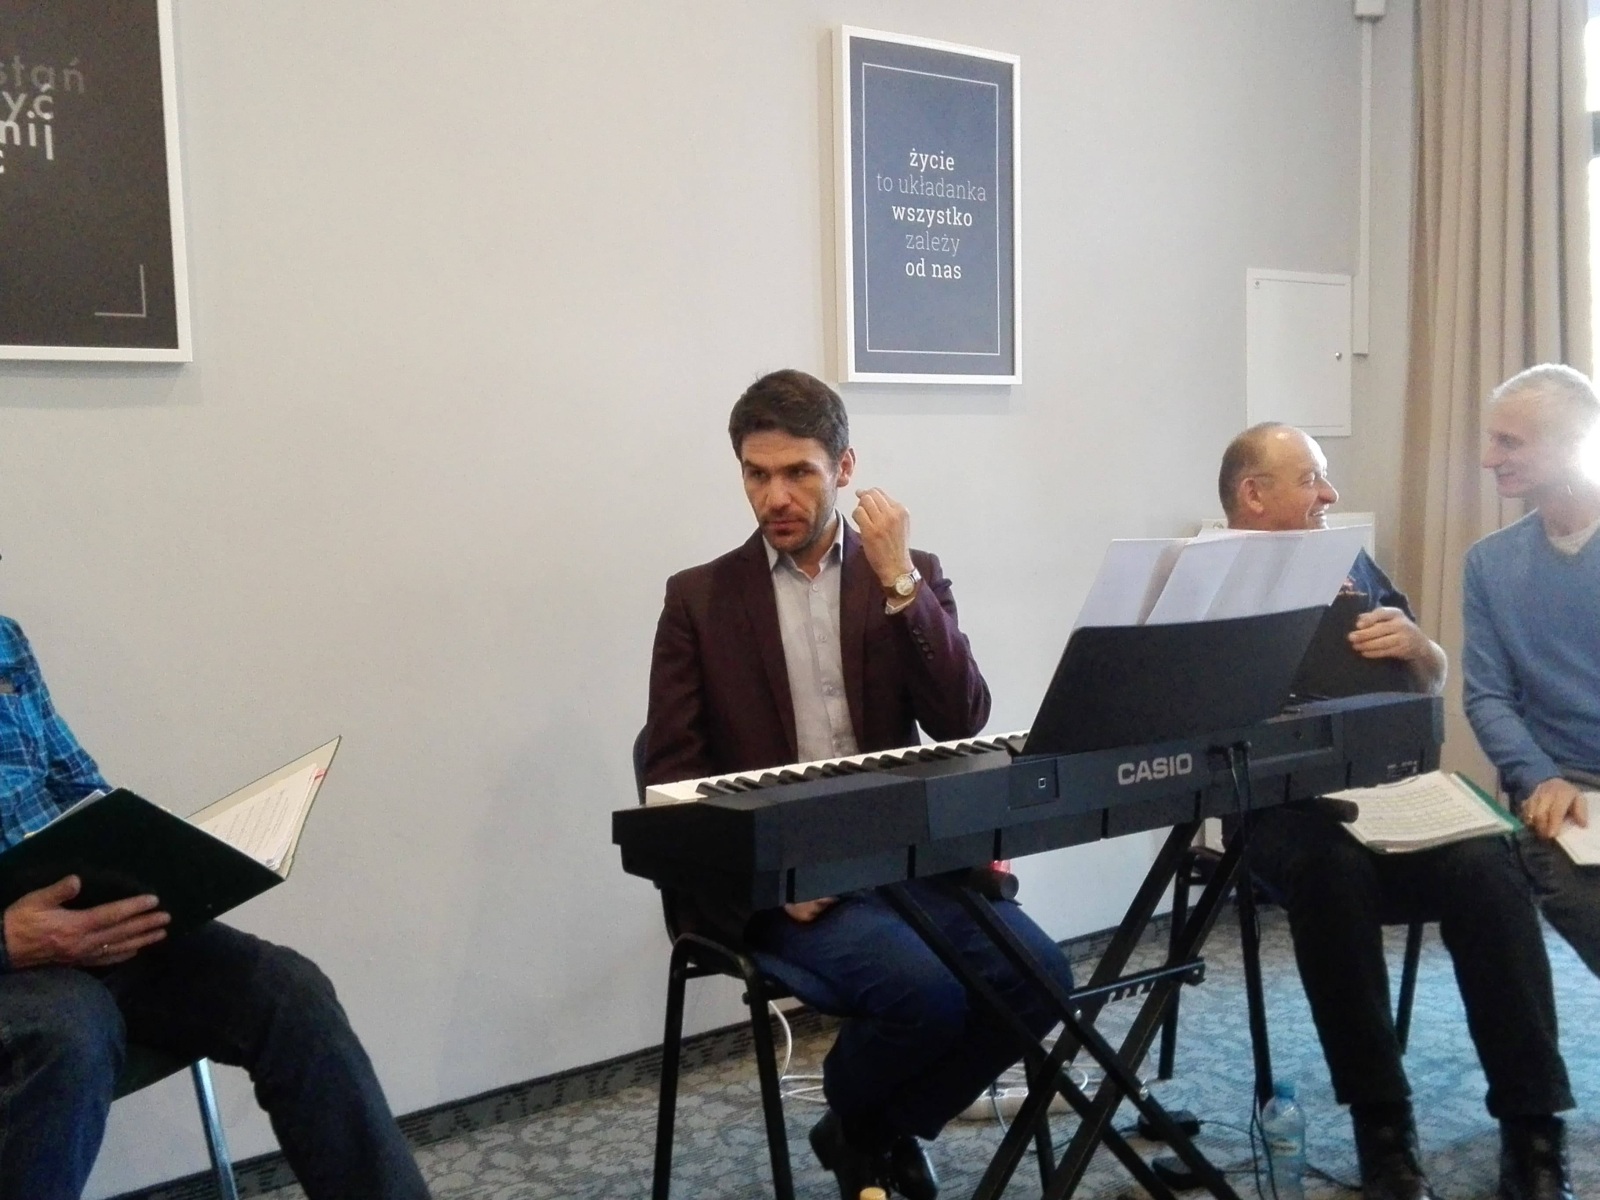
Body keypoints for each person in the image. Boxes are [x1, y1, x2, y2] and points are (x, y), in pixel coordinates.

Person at [644, 368, 1075, 1200]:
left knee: (1039, 981)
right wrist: (769, 882)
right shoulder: (699, 600)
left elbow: (961, 718)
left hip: (907, 859)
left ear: (844, 469)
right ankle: (872, 1130)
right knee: (925, 995)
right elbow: (672, 779)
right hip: (784, 879)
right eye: (756, 474)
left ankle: (863, 1129)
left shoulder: (905, 573)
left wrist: (900, 582)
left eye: (798, 472)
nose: (775, 496)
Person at [1219, 423, 1574, 1200]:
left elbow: (1432, 681)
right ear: (1254, 494)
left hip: (1393, 796)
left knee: (1490, 864)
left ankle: (1535, 1131)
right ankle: (1384, 1130)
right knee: (1331, 874)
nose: (1330, 493)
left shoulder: (1349, 561)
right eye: (1311, 478)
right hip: (1282, 811)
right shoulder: (1207, 580)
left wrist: (1420, 648)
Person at [0, 619, 431, 1200]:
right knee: (73, 1025)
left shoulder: (6, 639)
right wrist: (9, 939)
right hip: (17, 963)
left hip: (91, 923)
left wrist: (153, 861)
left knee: (287, 989)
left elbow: (79, 786)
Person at [1465, 362, 1600, 978]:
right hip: (1563, 789)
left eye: (1509, 442)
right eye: (1491, 439)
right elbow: (1487, 697)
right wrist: (1541, 777)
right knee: (1579, 898)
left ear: (1575, 443)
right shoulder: (1489, 564)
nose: (1488, 458)